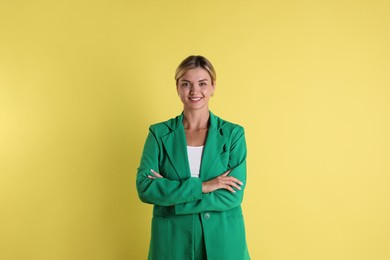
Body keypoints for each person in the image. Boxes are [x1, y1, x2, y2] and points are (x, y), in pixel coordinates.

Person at [136, 55, 250, 260]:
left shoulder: (233, 135)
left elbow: (232, 195)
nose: (194, 91)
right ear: (178, 88)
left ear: (213, 87)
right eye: (186, 84)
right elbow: (145, 188)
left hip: (223, 242)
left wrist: (172, 195)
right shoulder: (159, 134)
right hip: (173, 242)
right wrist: (203, 186)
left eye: (202, 84)